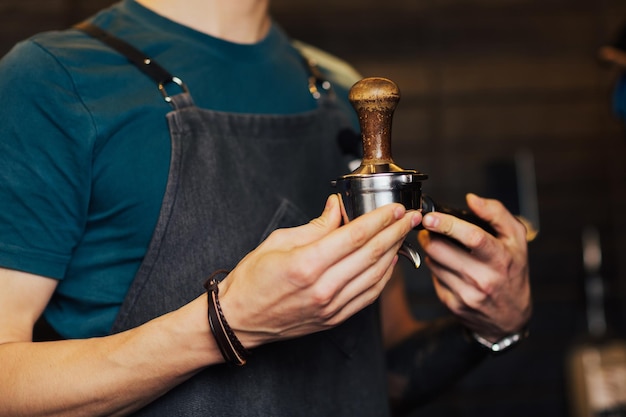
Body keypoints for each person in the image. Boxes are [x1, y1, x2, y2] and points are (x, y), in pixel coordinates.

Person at [0, 0, 532, 415]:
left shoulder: (339, 90)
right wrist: (223, 325)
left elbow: (376, 374)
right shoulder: (53, 81)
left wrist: (491, 325)